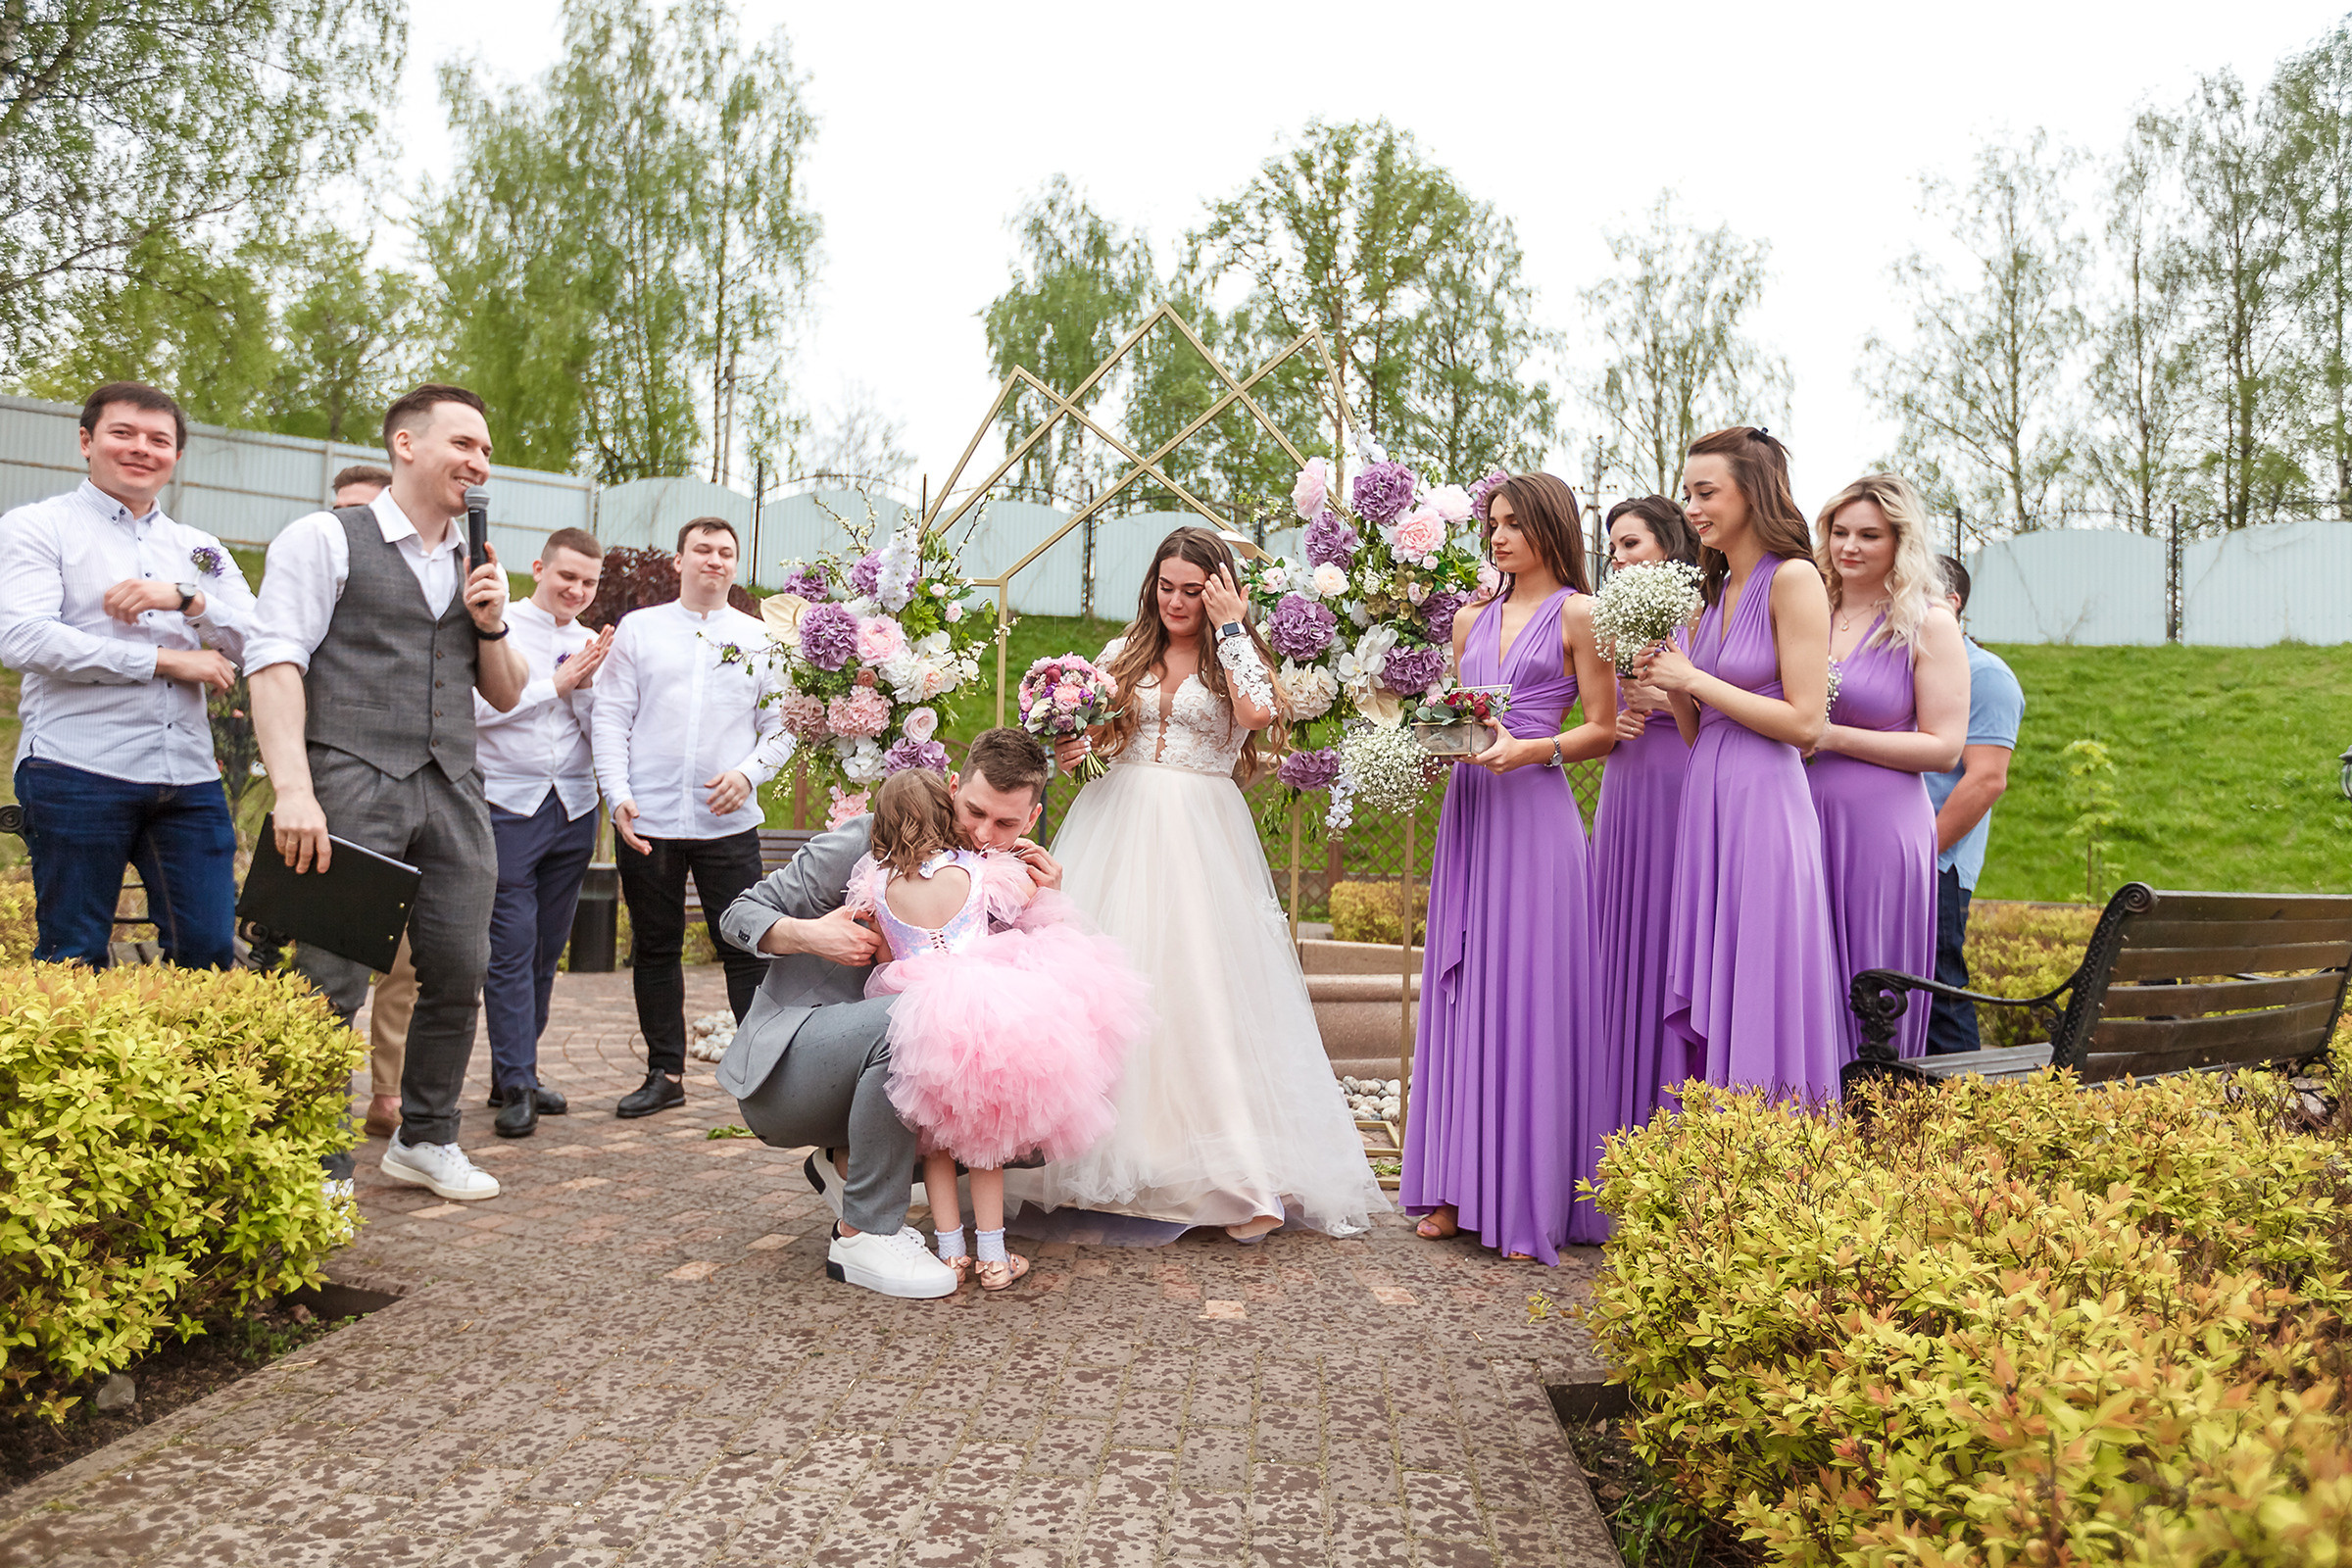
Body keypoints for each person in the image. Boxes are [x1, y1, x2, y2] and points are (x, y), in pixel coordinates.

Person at [1018, 526, 1385, 1242]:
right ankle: (1094, 1158)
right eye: (1168, 587)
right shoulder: (1123, 655)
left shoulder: (1234, 657)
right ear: (1151, 585)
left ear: (1218, 591)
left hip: (1199, 833)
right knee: (1103, 986)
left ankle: (1225, 1168)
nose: (1177, 601)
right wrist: (1072, 750)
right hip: (1114, 819)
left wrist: (1230, 627)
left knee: (1200, 989)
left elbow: (1259, 716)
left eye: (1194, 589)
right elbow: (1088, 756)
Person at [246, 383, 529, 1201]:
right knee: (327, 979)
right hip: (349, 778)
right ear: (406, 444)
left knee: (458, 968)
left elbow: (505, 694)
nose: (478, 462)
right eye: (463, 444)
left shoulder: (477, 561)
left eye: (485, 450)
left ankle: (426, 1137)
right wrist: (294, 792)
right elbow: (274, 664)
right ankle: (313, 1162)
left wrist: (493, 623)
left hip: (453, 783)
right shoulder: (327, 538)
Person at [715, 728, 1065, 1300]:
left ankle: (850, 1164)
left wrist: (1045, 905)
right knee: (923, 1014)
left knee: (1022, 1057)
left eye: (1005, 824)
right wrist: (809, 935)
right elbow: (739, 912)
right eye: (974, 812)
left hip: (883, 1071)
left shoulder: (1009, 872)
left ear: (1030, 820)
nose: (983, 834)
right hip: (793, 1067)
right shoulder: (870, 839)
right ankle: (865, 1232)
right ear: (953, 788)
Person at [1405, 474, 1618, 1263]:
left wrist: (1536, 747)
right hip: (1471, 811)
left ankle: (1526, 1198)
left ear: (1550, 529)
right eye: (1491, 523)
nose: (1497, 537)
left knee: (1528, 995)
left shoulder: (1581, 615)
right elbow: (1461, 714)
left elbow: (1602, 728)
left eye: (1513, 524)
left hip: (1535, 812)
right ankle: (1458, 1190)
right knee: (1463, 994)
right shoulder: (1470, 619)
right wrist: (1430, 748)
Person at [846, 768, 1146, 1293]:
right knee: (985, 1143)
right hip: (986, 1009)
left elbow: (886, 956)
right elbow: (1028, 909)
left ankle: (950, 1253)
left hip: (920, 1017)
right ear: (947, 812)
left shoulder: (875, 884)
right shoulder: (977, 872)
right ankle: (993, 1258)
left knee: (934, 1141)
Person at [0, 383, 257, 969]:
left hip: (187, 778)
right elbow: (24, 637)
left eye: (158, 439)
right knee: (74, 956)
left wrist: (189, 599)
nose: (142, 448)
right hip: (78, 769)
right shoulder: (38, 527)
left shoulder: (199, 550)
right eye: (123, 433)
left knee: (211, 951)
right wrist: (164, 660)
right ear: (87, 442)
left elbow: (259, 639)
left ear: (176, 456)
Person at [1637, 427, 1843, 1100]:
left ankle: (1773, 1154)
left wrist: (1695, 681)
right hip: (1710, 795)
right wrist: (1673, 682)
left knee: (1759, 974)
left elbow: (1806, 722)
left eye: (1706, 492)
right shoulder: (1718, 592)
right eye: (1687, 493)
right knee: (1718, 980)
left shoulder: (1795, 579)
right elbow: (1703, 731)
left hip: (1765, 803)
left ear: (1752, 493)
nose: (1691, 508)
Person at [591, 516, 792, 1119]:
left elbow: (782, 727)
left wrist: (748, 773)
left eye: (726, 552)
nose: (714, 560)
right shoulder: (640, 631)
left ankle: (763, 1076)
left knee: (746, 947)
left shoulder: (762, 640)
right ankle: (664, 1073)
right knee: (655, 948)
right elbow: (611, 717)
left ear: (736, 565)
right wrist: (617, 795)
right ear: (679, 561)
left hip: (728, 826)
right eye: (702, 549)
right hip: (647, 822)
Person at [1806, 477, 1968, 1057]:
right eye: (1839, 532)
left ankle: (1875, 1125)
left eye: (1869, 535)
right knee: (1802, 972)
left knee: (1869, 986)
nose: (1849, 546)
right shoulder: (1806, 610)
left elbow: (1944, 749)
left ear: (1900, 542)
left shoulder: (1927, 623)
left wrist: (1829, 735)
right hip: (1798, 814)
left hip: (1880, 826)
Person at [472, 527, 613, 1137]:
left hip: (574, 809)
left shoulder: (590, 643)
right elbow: (476, 709)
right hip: (507, 804)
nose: (576, 590)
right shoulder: (497, 626)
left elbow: (597, 727)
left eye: (588, 582)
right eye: (567, 577)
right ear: (539, 569)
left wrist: (584, 689)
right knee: (511, 947)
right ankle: (518, 1082)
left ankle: (515, 1072)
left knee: (547, 950)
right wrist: (554, 685)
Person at [1592, 496, 1701, 1136]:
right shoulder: (1612, 621)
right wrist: (1617, 720)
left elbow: (1725, 706)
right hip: (1628, 784)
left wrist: (1666, 696)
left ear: (1668, 544)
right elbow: (1596, 716)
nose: (1620, 557)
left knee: (1673, 936)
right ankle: (1617, 1115)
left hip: (1684, 780)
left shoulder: (1705, 615)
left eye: (1631, 544)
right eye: (1614, 548)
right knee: (1623, 941)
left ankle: (1677, 1110)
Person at [320, 464, 417, 1143]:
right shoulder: (315, 574)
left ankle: (387, 1093)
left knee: (404, 962)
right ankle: (320, 1095)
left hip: (408, 789)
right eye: (343, 512)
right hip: (329, 788)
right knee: (328, 958)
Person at [1924, 556, 2025, 1054]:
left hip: (1937, 864)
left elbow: (1986, 780)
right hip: (1895, 854)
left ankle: (1969, 1114)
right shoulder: (1914, 667)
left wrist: (1921, 853)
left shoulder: (1986, 676)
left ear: (1952, 601)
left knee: (1940, 992)